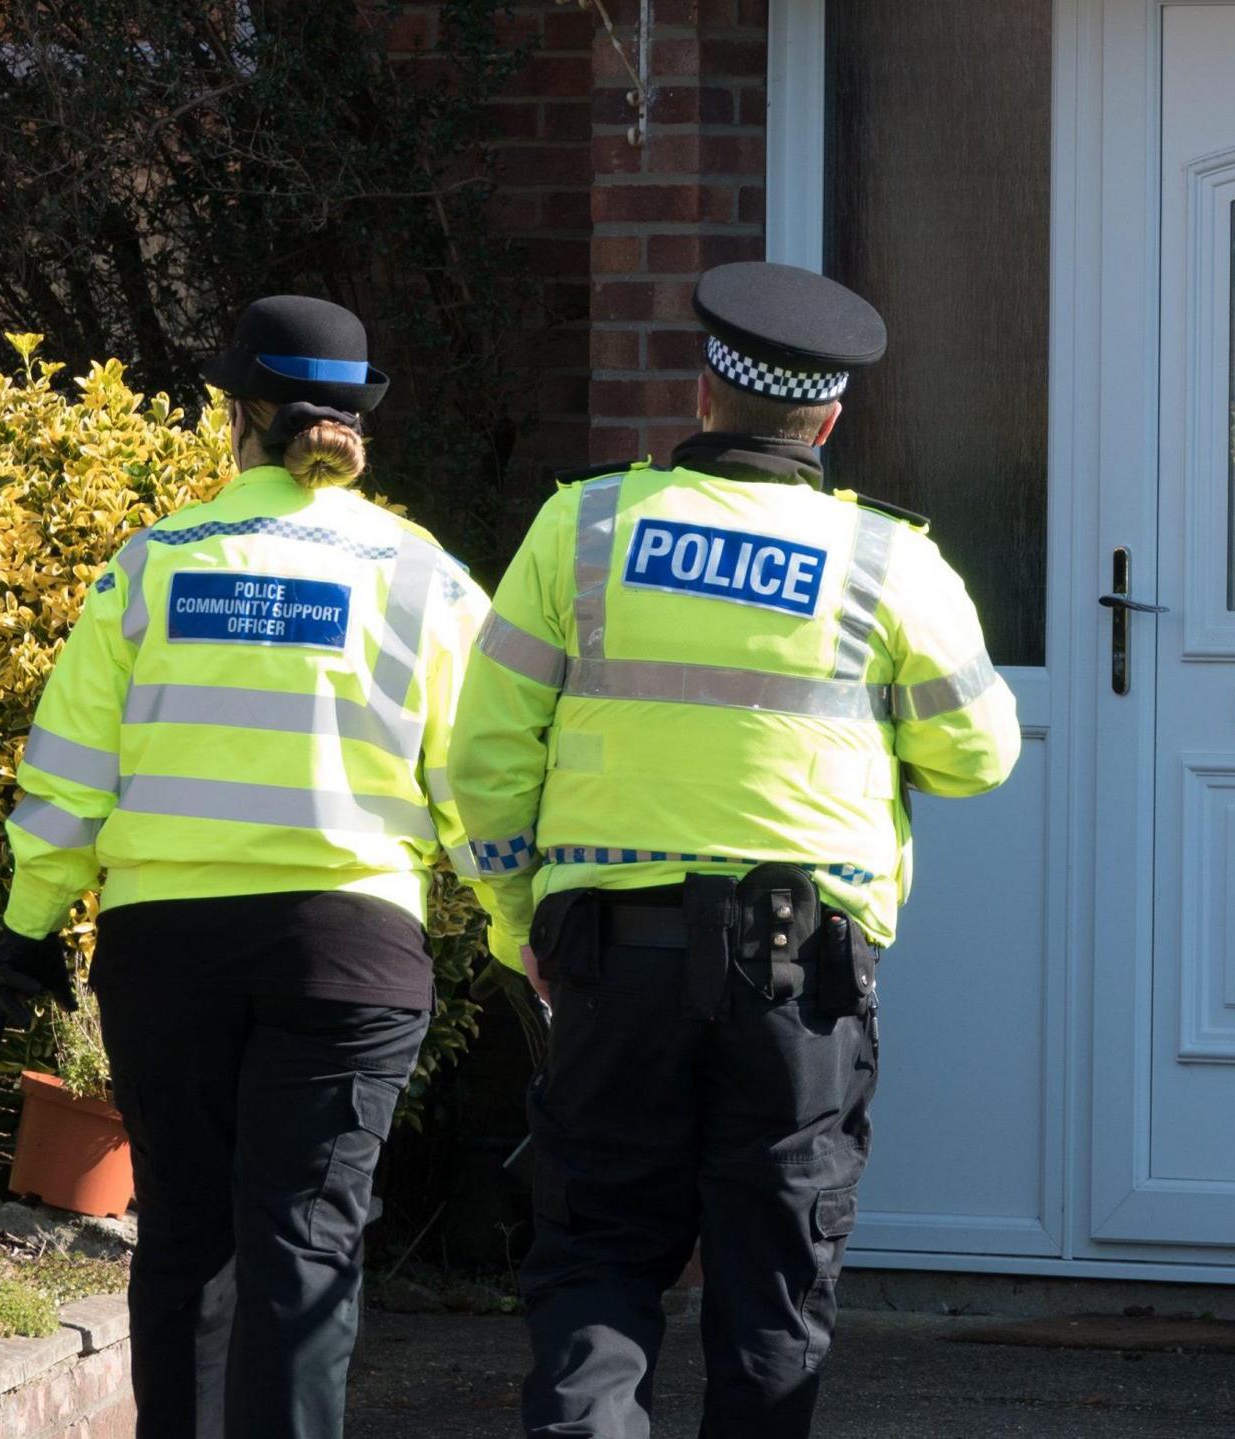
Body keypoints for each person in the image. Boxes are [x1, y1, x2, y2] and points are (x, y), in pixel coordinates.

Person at [450, 261, 1021, 1438]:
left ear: (705, 389)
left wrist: (521, 925)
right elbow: (979, 754)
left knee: (598, 1263)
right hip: (798, 986)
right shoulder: (885, 562)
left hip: (611, 965)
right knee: (771, 1297)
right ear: (829, 415)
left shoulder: (585, 525)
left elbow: (485, 758)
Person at [0, 295, 517, 1439]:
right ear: (360, 422)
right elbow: (482, 785)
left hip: (163, 950)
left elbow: (69, 772)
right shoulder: (423, 576)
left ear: (237, 416)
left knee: (184, 1234)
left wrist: (28, 926)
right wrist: (527, 934)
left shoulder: (150, 565)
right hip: (348, 953)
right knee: (305, 1244)